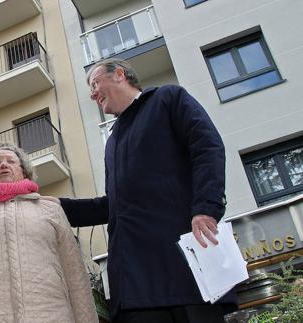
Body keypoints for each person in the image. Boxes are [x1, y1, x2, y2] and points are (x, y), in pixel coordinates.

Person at [59, 58, 235, 323]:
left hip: (183, 264)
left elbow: (207, 147)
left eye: (95, 83)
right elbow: (114, 205)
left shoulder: (168, 98)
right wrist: (51, 206)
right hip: (135, 283)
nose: (93, 94)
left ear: (119, 74)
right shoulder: (112, 143)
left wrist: (205, 208)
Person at [0, 143, 98, 323]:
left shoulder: (50, 209)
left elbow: (75, 273)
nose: (3, 165)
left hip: (53, 314)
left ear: (24, 172)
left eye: (11, 161)